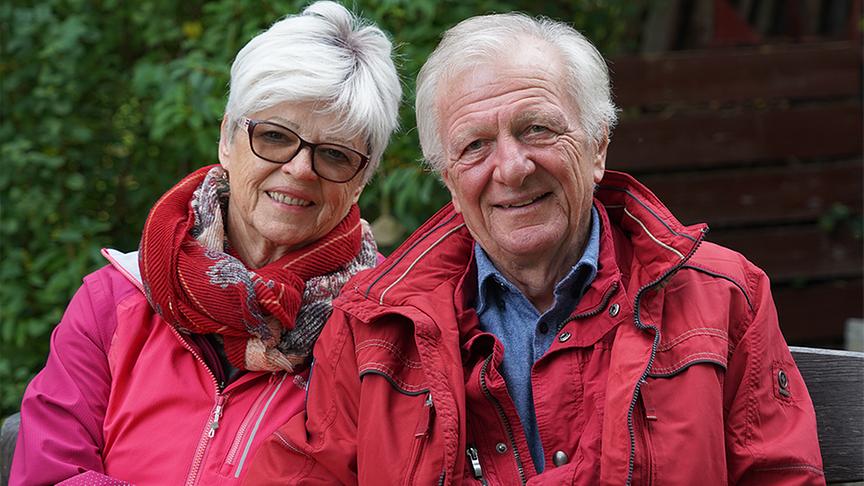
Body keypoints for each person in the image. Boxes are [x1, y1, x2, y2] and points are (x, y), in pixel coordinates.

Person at [244, 10, 827, 486]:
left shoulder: (722, 296)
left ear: (598, 146)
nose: (512, 167)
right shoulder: (371, 325)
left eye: (537, 130)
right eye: (475, 145)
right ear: (448, 179)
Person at [9, 2, 400, 484]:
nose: (300, 169)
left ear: (360, 182)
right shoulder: (113, 302)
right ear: (227, 139)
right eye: (275, 136)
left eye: (336, 155)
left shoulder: (385, 330)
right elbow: (50, 473)